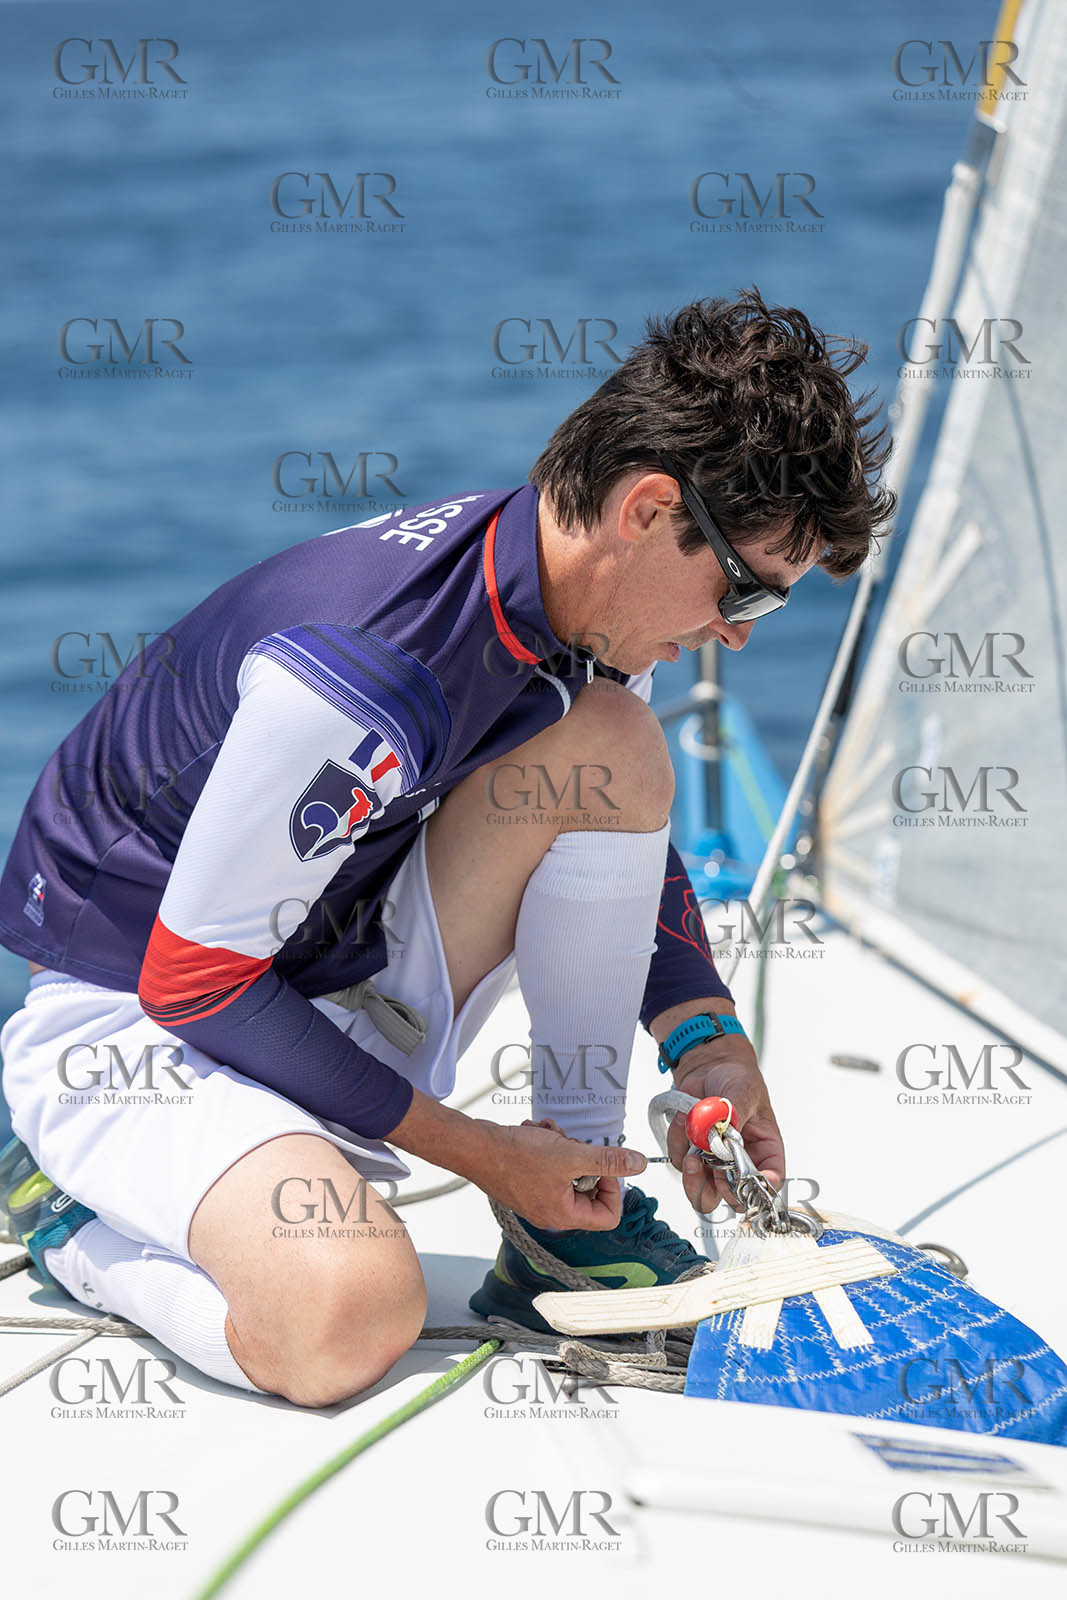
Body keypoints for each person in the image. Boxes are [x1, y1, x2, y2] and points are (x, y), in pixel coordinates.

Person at [0, 290, 893, 1407]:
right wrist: (474, 1146)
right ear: (648, 506)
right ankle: (69, 1214)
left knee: (610, 741)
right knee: (344, 1320)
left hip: (313, 958)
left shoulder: (581, 609)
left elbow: (614, 813)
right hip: (136, 1026)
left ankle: (569, 1217)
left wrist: (701, 1038)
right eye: (745, 589)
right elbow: (195, 980)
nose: (735, 631)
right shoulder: (368, 670)